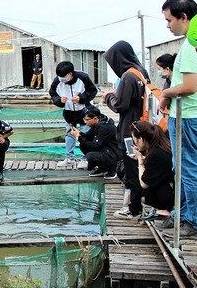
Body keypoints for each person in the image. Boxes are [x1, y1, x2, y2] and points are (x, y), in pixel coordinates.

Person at [156, 0, 197, 239]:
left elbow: (191, 86)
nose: (168, 25)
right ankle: (181, 215)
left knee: (190, 170)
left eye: (170, 19)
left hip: (191, 117)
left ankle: (195, 223)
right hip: (193, 115)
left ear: (184, 17)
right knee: (181, 169)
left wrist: (166, 93)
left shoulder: (193, 46)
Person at [103, 40, 151, 219]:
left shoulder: (127, 77)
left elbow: (120, 105)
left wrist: (108, 97)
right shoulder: (140, 72)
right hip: (141, 127)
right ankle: (138, 204)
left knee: (132, 170)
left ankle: (134, 209)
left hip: (129, 132)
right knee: (140, 166)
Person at [48, 61, 98, 168]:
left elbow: (92, 91)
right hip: (69, 111)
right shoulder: (57, 81)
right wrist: (59, 100)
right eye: (59, 76)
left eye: (63, 76)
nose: (61, 79)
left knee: (85, 134)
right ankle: (69, 157)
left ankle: (85, 158)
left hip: (84, 111)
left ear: (70, 74)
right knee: (69, 134)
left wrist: (81, 98)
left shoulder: (83, 77)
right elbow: (53, 94)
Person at [131, 121, 174, 223]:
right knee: (152, 176)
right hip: (177, 190)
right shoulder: (162, 145)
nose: (134, 143)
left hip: (172, 196)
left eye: (135, 140)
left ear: (141, 139)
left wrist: (140, 160)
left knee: (148, 180)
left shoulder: (156, 154)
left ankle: (164, 210)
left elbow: (144, 183)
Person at [72, 106, 121, 179]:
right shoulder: (98, 124)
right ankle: (102, 168)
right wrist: (80, 134)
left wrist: (79, 137)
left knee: (91, 155)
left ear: (95, 118)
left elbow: (95, 146)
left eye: (87, 120)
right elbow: (88, 136)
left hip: (114, 153)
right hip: (107, 150)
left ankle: (112, 169)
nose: (85, 122)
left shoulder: (105, 127)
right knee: (83, 145)